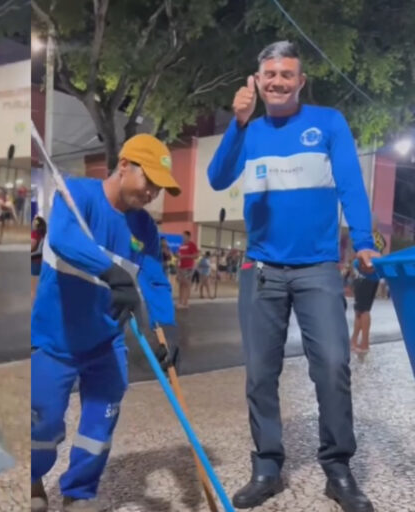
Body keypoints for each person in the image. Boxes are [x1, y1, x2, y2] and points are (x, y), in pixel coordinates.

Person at [208, 41, 379, 511]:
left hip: (319, 268)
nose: (278, 81)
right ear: (257, 81)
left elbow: (349, 182)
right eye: (270, 75)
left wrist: (363, 239)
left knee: (332, 365)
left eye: (287, 74)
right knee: (261, 373)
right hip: (261, 270)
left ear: (301, 81)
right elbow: (218, 178)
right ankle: (267, 464)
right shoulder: (250, 129)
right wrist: (236, 123)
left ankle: (338, 468)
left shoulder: (328, 123)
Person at [30, 134, 179, 512]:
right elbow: (63, 238)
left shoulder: (144, 228)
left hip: (105, 342)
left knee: (101, 420)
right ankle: (33, 479)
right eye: (150, 182)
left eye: (160, 189)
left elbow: (154, 279)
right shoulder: (77, 194)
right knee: (43, 421)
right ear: (125, 165)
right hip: (54, 339)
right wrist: (112, 272)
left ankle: (79, 492)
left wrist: (164, 328)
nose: (152, 194)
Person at [350, 218, 387, 355]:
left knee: (363, 310)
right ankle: (355, 340)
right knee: (360, 310)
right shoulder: (380, 238)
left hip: (365, 276)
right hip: (373, 277)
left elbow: (361, 256)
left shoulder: (369, 239)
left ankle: (364, 343)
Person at [176, 231, 198, 308]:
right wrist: (177, 261)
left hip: (188, 267)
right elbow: (179, 255)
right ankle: (180, 301)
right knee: (181, 284)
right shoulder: (181, 245)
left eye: (184, 236)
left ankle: (186, 302)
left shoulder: (192, 245)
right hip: (181, 267)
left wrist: (185, 257)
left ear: (189, 236)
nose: (183, 237)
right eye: (182, 236)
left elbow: (196, 255)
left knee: (187, 284)